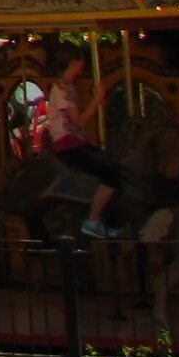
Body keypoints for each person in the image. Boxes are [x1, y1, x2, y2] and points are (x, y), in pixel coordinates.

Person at [39, 52, 125, 238]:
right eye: (80, 61)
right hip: (68, 145)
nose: (83, 65)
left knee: (111, 162)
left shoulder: (68, 87)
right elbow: (79, 121)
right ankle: (92, 221)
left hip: (76, 142)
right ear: (72, 62)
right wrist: (97, 100)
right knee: (111, 174)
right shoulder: (61, 89)